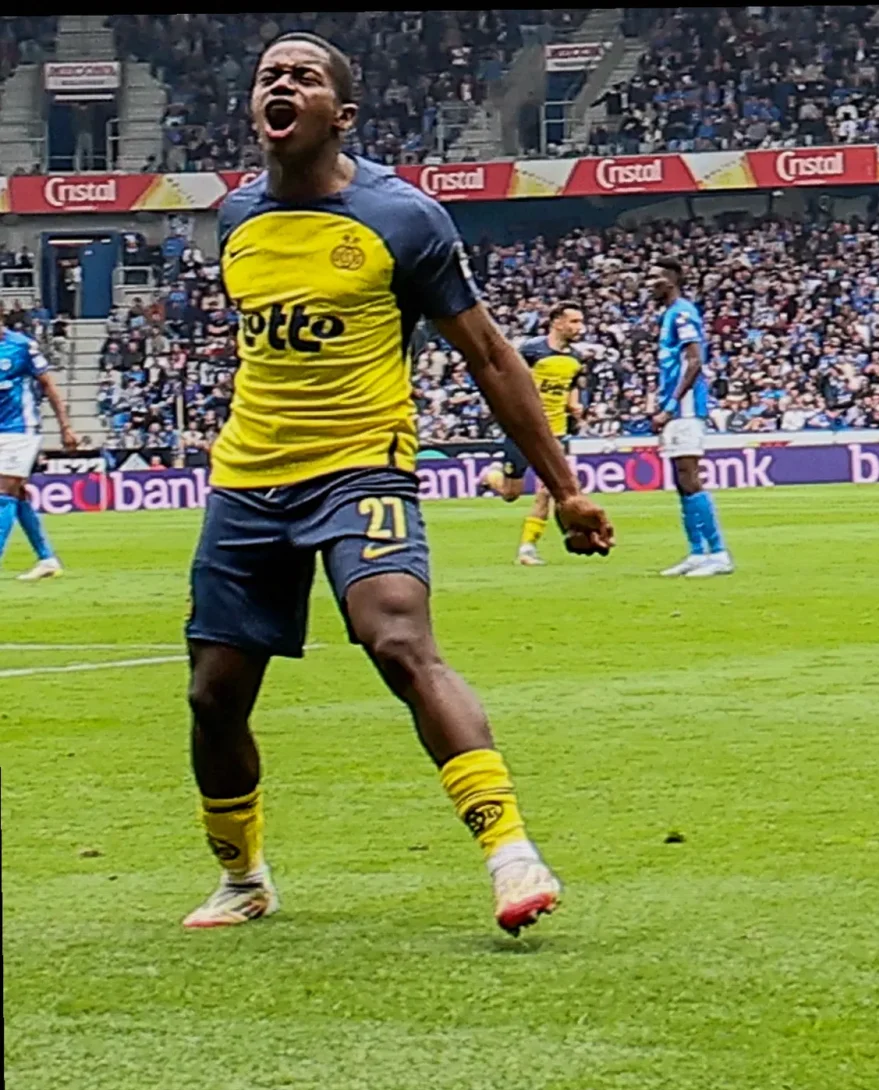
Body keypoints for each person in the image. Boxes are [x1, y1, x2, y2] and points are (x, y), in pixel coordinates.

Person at [181, 33, 615, 935]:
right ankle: (243, 877)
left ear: (341, 115)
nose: (282, 84)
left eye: (304, 76)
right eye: (269, 75)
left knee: (397, 640)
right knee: (213, 695)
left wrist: (566, 488)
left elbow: (490, 356)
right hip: (249, 480)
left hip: (361, 466)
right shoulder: (236, 217)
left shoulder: (403, 218)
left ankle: (511, 854)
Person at [476, 301, 587, 565]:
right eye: (574, 322)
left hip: (555, 432)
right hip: (523, 430)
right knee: (510, 493)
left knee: (547, 490)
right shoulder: (530, 351)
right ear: (557, 322)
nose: (580, 328)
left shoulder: (576, 358)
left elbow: (572, 386)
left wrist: (574, 405)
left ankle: (527, 549)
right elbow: (505, 378)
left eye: (581, 322)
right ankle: (491, 477)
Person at [649, 259, 731, 576]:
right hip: (673, 408)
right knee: (681, 481)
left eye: (655, 278)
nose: (649, 284)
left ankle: (718, 554)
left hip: (685, 409)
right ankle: (697, 552)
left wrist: (671, 405)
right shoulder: (668, 314)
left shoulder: (683, 313)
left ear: (671, 281)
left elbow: (695, 361)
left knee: (690, 476)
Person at [0, 312, 81, 580]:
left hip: (20, 429)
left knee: (3, 492)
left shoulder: (21, 346)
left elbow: (49, 386)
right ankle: (47, 558)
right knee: (18, 494)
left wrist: (65, 427)